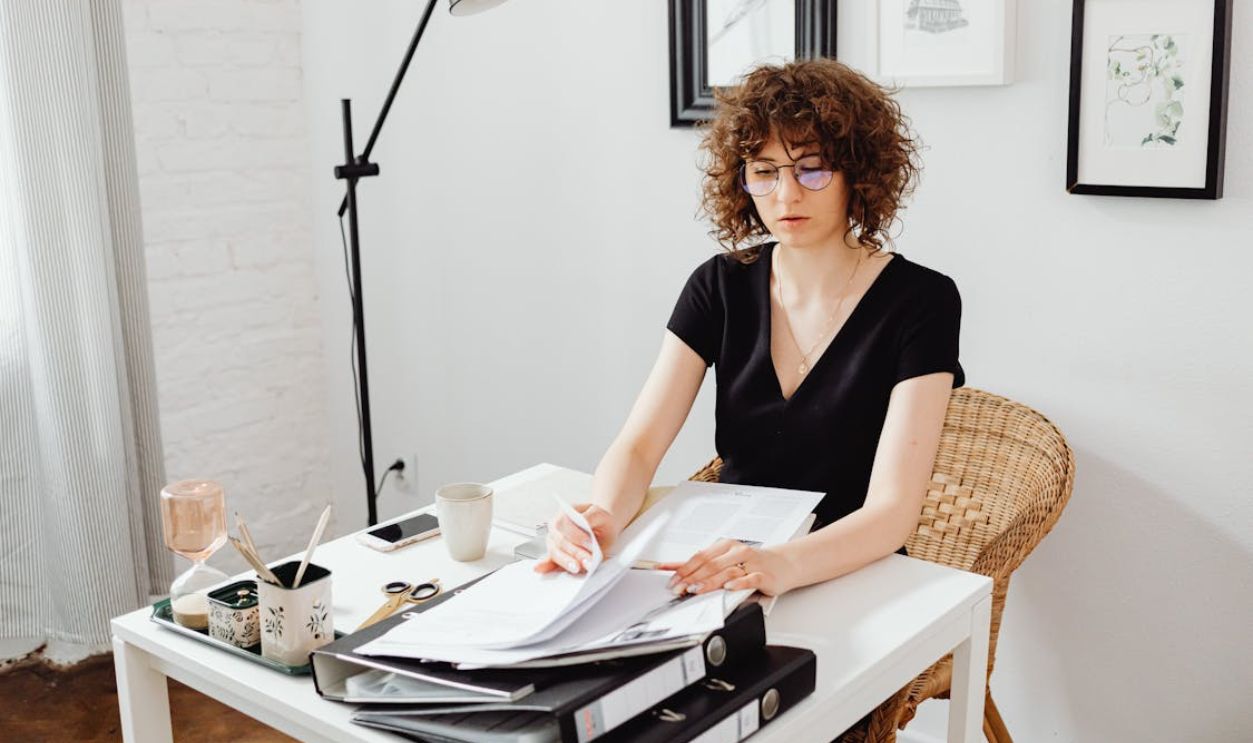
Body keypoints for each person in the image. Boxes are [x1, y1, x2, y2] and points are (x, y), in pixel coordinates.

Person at [535, 58, 963, 599]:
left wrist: (778, 566)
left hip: (850, 569)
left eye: (812, 168)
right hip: (725, 560)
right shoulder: (718, 286)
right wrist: (602, 515)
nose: (786, 197)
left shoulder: (921, 300)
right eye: (764, 171)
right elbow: (640, 446)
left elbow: (890, 513)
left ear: (858, 172)